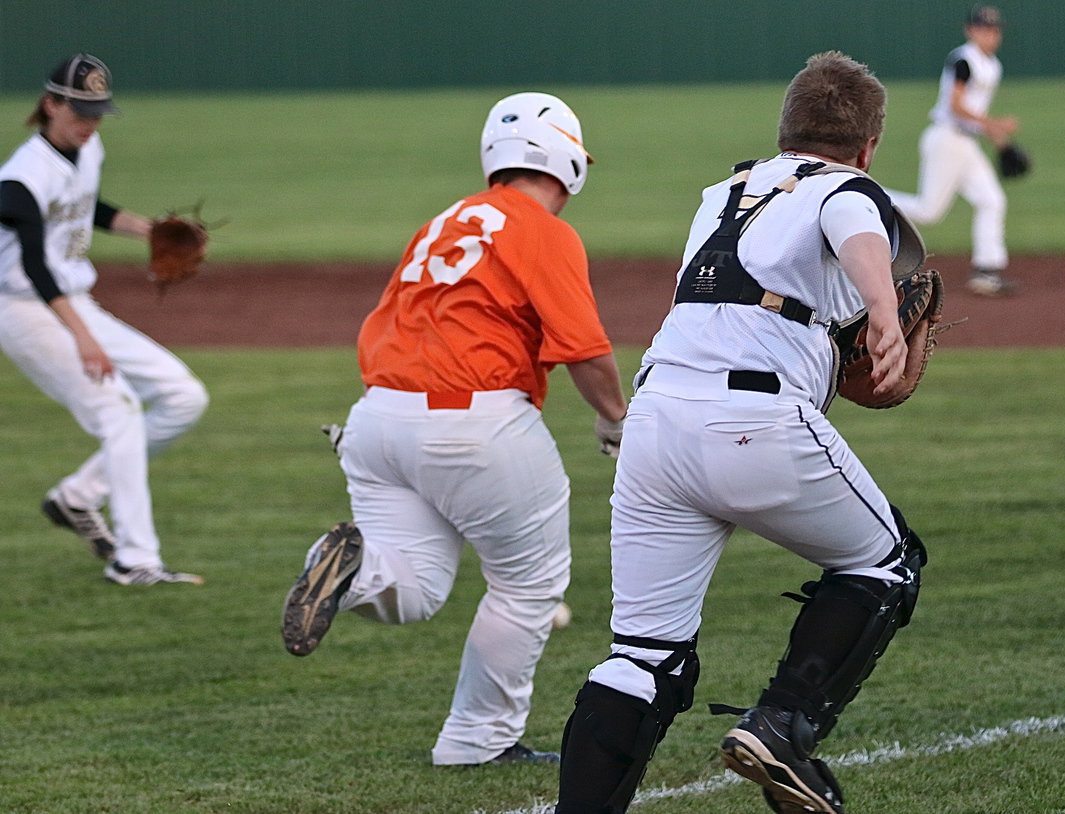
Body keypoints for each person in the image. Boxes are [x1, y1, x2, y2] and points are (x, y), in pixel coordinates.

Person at [553, 52, 928, 814]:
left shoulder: (724, 191)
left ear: (785, 130)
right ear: (868, 147)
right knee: (888, 563)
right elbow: (851, 216)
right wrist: (882, 308)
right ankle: (784, 726)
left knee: (644, 657)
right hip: (754, 422)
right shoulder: (849, 187)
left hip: (653, 426)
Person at [281, 92, 628, 767]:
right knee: (527, 586)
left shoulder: (443, 221)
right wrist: (616, 418)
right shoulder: (542, 229)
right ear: (566, 157)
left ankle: (344, 569)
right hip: (474, 421)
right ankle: (476, 739)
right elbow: (586, 349)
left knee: (412, 587)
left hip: (377, 419)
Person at [0, 54, 209, 586]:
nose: (91, 122)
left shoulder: (86, 149)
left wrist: (149, 230)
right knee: (119, 412)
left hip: (72, 301)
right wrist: (85, 337)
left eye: (97, 111)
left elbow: (84, 204)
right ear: (51, 105)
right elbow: (35, 268)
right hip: (27, 310)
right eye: (80, 111)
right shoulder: (19, 180)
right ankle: (135, 561)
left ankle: (77, 497)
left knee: (184, 395)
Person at [885, 5, 1019, 296]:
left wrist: (1001, 141)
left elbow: (975, 113)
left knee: (991, 200)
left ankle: (986, 271)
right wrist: (996, 124)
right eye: (984, 28)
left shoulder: (992, 65)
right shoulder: (964, 60)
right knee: (928, 211)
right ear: (970, 30)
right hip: (946, 139)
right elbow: (956, 106)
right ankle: (870, 194)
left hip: (965, 143)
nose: (991, 35)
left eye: (995, 29)